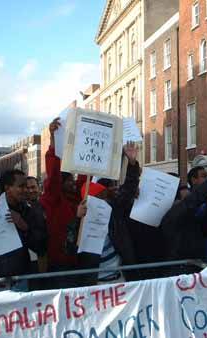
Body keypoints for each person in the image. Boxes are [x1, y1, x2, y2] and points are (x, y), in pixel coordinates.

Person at [65, 142, 141, 285]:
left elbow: (128, 190)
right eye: (100, 197)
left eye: (105, 196)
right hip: (95, 283)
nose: (104, 200)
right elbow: (69, 248)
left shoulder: (113, 212)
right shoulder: (79, 221)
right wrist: (77, 219)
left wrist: (131, 163)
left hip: (120, 278)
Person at [0, 170, 46, 292]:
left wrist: (24, 227)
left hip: (18, 283)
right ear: (7, 188)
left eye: (27, 187)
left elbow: (41, 247)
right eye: (21, 186)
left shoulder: (29, 212)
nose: (26, 190)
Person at [40, 118, 86, 281]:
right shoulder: (53, 199)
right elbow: (53, 175)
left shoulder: (76, 196)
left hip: (77, 259)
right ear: (61, 183)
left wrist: (87, 151)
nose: (73, 183)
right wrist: (53, 141)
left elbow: (84, 177)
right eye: (69, 181)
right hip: (60, 264)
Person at [160, 163, 207, 261]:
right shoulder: (170, 212)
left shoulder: (189, 207)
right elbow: (191, 201)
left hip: (196, 259)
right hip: (180, 263)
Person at [26, 176, 48, 274]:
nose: (31, 190)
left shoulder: (46, 206)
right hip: (28, 260)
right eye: (28, 188)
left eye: (33, 187)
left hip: (45, 257)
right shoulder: (20, 209)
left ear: (38, 188)